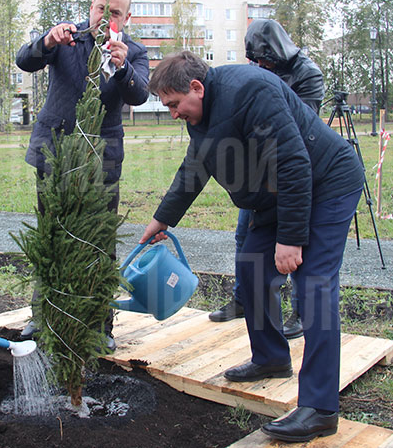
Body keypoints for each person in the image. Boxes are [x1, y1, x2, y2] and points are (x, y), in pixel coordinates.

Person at [139, 51, 363, 442]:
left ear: (196, 87)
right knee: (252, 270)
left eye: (174, 104)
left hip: (326, 182)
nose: (173, 114)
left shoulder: (251, 90)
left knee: (314, 286)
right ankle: (272, 358)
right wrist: (162, 219)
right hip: (276, 194)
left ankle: (320, 409)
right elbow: (197, 164)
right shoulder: (201, 113)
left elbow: (293, 162)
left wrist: (291, 239)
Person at [15, 0, 150, 350]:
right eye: (101, 9)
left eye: (116, 12)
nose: (105, 18)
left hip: (101, 160)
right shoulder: (66, 38)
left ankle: (99, 325)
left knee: (101, 242)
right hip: (54, 152)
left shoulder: (134, 52)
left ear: (127, 18)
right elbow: (24, 61)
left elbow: (140, 94)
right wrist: (46, 42)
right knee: (51, 235)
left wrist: (122, 69)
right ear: (90, 8)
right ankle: (42, 316)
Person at [209, 19, 324, 342]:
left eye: (265, 61)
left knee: (297, 239)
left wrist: (266, 91)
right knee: (243, 236)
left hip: (293, 170)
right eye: (255, 62)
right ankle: (243, 299)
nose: (260, 67)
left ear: (278, 51)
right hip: (259, 173)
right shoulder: (260, 69)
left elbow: (301, 125)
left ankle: (301, 312)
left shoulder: (307, 74)